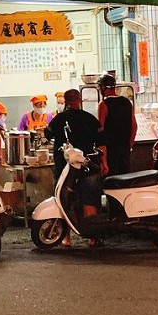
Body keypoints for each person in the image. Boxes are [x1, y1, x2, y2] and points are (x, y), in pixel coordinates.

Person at [46, 89, 103, 245]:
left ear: (65, 101)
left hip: (65, 168)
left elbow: (47, 134)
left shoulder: (59, 119)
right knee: (89, 199)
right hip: (88, 165)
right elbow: (101, 142)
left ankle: (66, 238)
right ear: (80, 100)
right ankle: (93, 237)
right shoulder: (90, 119)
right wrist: (104, 163)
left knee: (65, 200)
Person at [96, 75, 136, 176]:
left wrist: (102, 158)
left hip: (110, 151)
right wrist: (129, 146)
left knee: (112, 181)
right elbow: (134, 126)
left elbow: (100, 131)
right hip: (124, 149)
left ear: (103, 87)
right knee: (125, 179)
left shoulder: (103, 105)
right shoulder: (127, 102)